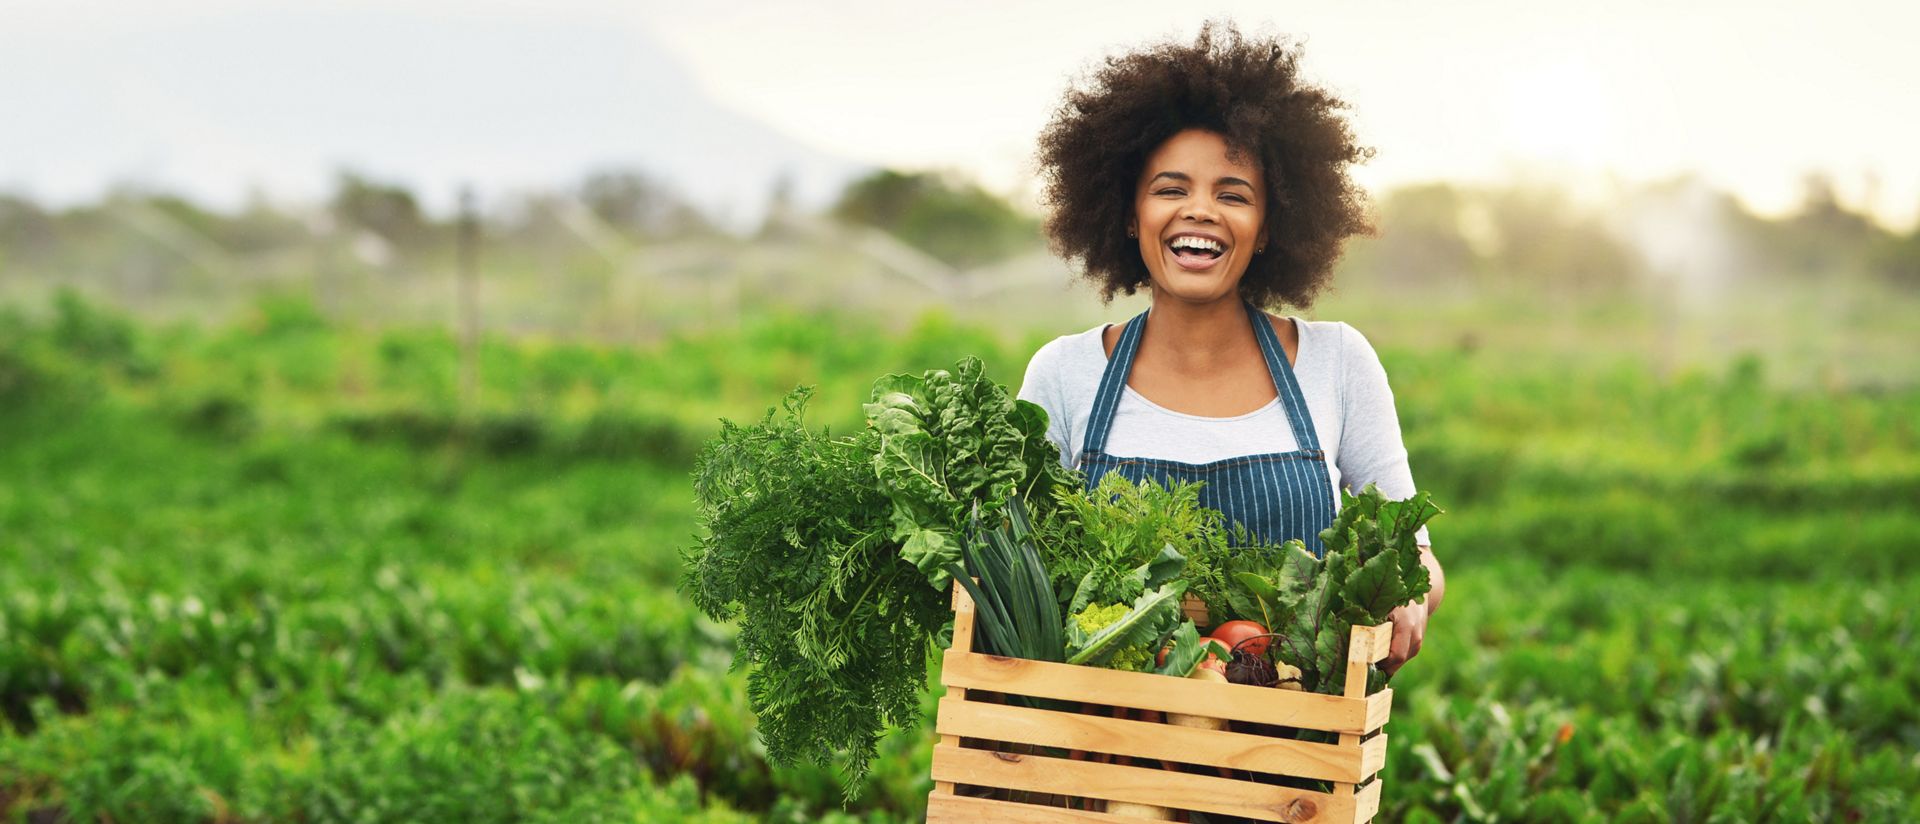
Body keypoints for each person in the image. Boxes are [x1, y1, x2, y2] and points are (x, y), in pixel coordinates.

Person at [1017, 22, 1444, 675]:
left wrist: (1410, 597)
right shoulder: (1065, 374)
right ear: (1130, 215)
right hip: (1099, 750)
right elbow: (1011, 566)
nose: (1200, 211)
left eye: (1232, 195)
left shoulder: (1336, 362)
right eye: (1171, 188)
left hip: (1290, 750)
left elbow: (1414, 555)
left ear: (1270, 226)